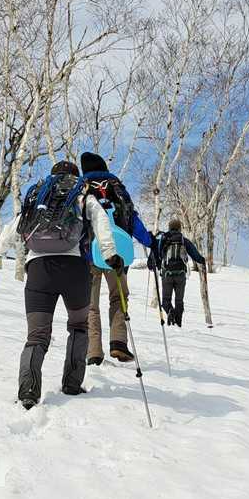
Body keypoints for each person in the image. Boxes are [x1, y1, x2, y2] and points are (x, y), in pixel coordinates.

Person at [0, 159, 121, 409]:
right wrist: (110, 254)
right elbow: (101, 221)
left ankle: (28, 391)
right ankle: (72, 384)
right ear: (76, 176)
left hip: (39, 270)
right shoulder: (82, 195)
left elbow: (15, 225)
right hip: (75, 270)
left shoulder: (40, 196)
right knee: (79, 326)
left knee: (37, 334)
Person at [78, 152, 156, 365]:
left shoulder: (81, 188)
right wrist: (149, 241)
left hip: (89, 254)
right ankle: (118, 343)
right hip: (118, 253)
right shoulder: (117, 188)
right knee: (119, 297)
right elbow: (132, 218)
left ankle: (94, 351)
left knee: (90, 304)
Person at [152, 218, 206, 327]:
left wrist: (155, 264)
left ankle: (170, 311)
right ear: (179, 228)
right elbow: (194, 253)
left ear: (169, 228)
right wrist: (202, 260)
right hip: (181, 274)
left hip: (167, 274)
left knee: (166, 300)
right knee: (179, 301)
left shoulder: (164, 239)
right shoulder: (183, 240)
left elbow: (158, 253)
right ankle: (178, 322)